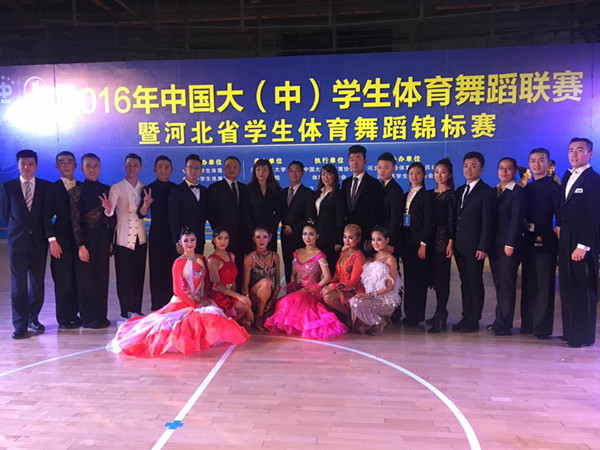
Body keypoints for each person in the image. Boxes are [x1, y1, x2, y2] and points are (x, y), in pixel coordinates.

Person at [107, 227, 249, 358]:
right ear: (180, 243)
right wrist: (195, 304)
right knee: (180, 324)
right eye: (186, 240)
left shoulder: (201, 259)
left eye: (192, 240)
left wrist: (205, 299)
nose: (190, 243)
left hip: (200, 300)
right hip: (183, 302)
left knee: (213, 315)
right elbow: (178, 291)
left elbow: (206, 284)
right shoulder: (178, 263)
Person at [264, 221, 348, 339]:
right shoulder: (297, 252)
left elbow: (327, 277)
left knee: (297, 302)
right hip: (300, 289)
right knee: (285, 302)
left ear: (317, 236)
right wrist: (293, 286)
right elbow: (293, 274)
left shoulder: (320, 255)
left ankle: (304, 325)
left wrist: (314, 288)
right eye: (305, 234)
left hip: (313, 291)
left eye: (311, 234)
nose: (307, 237)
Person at [0, 149, 50, 339]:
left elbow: (46, 215)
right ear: (18, 165)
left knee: (37, 283)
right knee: (18, 284)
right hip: (17, 243)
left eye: (30, 164)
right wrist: (19, 230)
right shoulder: (8, 187)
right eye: (23, 163)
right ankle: (20, 324)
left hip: (39, 242)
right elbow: (5, 215)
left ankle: (33, 318)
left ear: (36, 165)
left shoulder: (45, 187)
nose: (27, 167)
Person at [558, 137, 600, 348]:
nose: (574, 154)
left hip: (583, 241)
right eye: (571, 150)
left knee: (583, 288)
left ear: (590, 154)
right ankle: (570, 331)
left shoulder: (594, 180)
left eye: (580, 150)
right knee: (568, 285)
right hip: (566, 238)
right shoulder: (567, 176)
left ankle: (584, 336)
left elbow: (594, 215)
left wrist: (583, 245)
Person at [70, 153, 114, 329]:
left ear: (100, 167)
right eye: (88, 166)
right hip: (85, 237)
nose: (92, 169)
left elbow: (112, 219)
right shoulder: (76, 191)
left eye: (95, 166)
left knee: (102, 277)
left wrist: (111, 239)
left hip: (103, 237)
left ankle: (101, 316)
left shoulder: (107, 189)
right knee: (86, 279)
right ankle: (88, 317)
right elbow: (74, 221)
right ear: (82, 168)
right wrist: (80, 245)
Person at [453, 151, 496, 333]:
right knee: (464, 282)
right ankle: (466, 316)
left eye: (473, 166)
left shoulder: (487, 192)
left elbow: (488, 222)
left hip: (475, 247)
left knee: (475, 281)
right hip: (460, 246)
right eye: (466, 166)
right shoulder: (460, 190)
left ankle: (474, 320)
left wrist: (483, 246)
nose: (469, 170)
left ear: (481, 168)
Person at [520, 148, 561, 339]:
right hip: (527, 240)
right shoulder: (526, 189)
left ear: (548, 163)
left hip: (546, 241)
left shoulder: (555, 188)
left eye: (541, 160)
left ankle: (542, 328)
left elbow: (559, 219)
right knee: (528, 282)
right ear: (529, 164)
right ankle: (527, 324)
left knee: (544, 284)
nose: (537, 164)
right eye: (533, 161)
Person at [102, 153, 147, 319]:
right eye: (129, 165)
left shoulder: (144, 187)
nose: (132, 168)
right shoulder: (117, 187)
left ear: (140, 168)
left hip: (140, 236)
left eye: (135, 165)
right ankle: (126, 310)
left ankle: (137, 309)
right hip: (123, 236)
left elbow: (143, 212)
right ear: (124, 167)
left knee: (139, 274)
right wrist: (107, 209)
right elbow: (110, 212)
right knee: (124, 275)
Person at [44, 151, 82, 329]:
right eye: (62, 162)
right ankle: (64, 318)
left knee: (77, 279)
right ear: (56, 166)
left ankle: (75, 313)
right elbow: (45, 217)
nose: (66, 165)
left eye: (69, 162)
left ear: (75, 165)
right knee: (62, 279)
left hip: (80, 240)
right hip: (60, 240)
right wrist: (52, 240)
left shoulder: (82, 187)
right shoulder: (52, 189)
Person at [489, 157, 526, 336]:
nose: (504, 171)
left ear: (515, 171)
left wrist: (510, 242)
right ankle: (500, 319)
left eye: (508, 168)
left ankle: (504, 324)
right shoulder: (494, 191)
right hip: (494, 245)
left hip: (509, 245)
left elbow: (517, 220)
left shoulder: (518, 192)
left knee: (507, 283)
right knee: (499, 283)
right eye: (501, 168)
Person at [138, 155, 177, 311]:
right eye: (160, 166)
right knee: (157, 270)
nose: (163, 170)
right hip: (157, 233)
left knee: (173, 270)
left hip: (173, 234)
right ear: (155, 169)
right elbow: (141, 214)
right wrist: (146, 204)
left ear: (172, 169)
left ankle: (173, 306)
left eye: (167, 167)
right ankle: (157, 307)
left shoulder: (176, 188)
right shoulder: (148, 189)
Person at [348, 226, 402, 335]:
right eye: (373, 239)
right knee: (358, 328)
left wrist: (369, 295)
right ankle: (377, 320)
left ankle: (380, 321)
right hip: (372, 299)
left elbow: (390, 287)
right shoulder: (374, 257)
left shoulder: (391, 259)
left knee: (356, 302)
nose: (375, 243)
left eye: (379, 239)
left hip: (385, 301)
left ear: (387, 240)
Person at [401, 161, 434, 328]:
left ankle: (417, 315)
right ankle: (409, 314)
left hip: (419, 244)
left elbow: (428, 222)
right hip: (407, 243)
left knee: (419, 280)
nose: (414, 176)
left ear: (424, 176)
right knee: (409, 280)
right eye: (411, 173)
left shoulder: (426, 196)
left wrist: (424, 243)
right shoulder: (406, 195)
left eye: (418, 173)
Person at [207, 156, 248, 287]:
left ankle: (239, 294)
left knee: (240, 268)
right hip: (223, 239)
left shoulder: (245, 188)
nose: (232, 169)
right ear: (224, 169)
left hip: (241, 238)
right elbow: (211, 214)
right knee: (223, 269)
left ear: (239, 170)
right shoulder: (214, 188)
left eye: (235, 167)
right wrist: (220, 235)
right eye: (228, 167)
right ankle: (224, 295)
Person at [428, 158, 457, 333]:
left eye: (443, 172)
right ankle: (438, 311)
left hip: (443, 239)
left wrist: (450, 242)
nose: (439, 175)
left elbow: (451, 220)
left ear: (450, 175)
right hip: (430, 239)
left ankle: (441, 314)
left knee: (442, 278)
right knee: (433, 277)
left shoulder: (451, 195)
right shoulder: (429, 193)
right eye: (436, 172)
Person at [207, 227, 253, 328]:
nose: (223, 241)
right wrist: (239, 296)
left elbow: (233, 280)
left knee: (246, 304)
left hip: (230, 293)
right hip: (218, 295)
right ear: (214, 240)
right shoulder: (212, 260)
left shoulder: (231, 255)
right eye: (219, 238)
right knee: (243, 304)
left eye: (226, 238)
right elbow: (218, 286)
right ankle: (228, 320)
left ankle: (233, 319)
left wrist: (239, 298)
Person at [321, 223, 366, 325]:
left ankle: (350, 315)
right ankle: (340, 318)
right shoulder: (343, 252)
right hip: (341, 288)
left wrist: (332, 286)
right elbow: (337, 275)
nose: (347, 240)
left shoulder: (359, 256)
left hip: (353, 291)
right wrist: (328, 286)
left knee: (328, 297)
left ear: (359, 239)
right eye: (345, 237)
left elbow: (354, 282)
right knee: (322, 295)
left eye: (351, 237)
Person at [341, 145, 382, 251]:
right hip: (348, 237)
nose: (355, 162)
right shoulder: (345, 183)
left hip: (365, 236)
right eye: (352, 159)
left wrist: (369, 237)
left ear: (365, 161)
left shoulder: (373, 183)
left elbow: (375, 212)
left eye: (358, 159)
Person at [281, 161, 316, 282]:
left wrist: (293, 228)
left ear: (302, 173)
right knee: (287, 265)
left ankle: (303, 290)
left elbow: (310, 217)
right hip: (285, 236)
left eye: (297, 170)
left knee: (303, 267)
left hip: (301, 236)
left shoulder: (309, 193)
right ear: (288, 173)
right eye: (291, 170)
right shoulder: (282, 193)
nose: (294, 173)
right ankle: (290, 290)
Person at [242, 227, 281, 330]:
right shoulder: (249, 258)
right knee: (267, 282)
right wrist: (248, 308)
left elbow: (277, 282)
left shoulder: (275, 256)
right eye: (258, 237)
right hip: (254, 297)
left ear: (269, 238)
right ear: (253, 239)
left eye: (265, 237)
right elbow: (245, 285)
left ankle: (264, 311)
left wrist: (273, 299)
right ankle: (259, 315)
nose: (261, 240)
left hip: (269, 296)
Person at [168, 154, 208, 255]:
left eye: (197, 168)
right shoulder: (176, 190)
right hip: (184, 241)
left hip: (199, 240)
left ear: (201, 171)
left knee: (199, 264)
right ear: (185, 169)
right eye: (190, 167)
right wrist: (177, 241)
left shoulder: (205, 191)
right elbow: (173, 218)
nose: (193, 171)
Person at [242, 159, 283, 252]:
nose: (261, 172)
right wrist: (254, 232)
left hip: (270, 232)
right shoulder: (249, 189)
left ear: (269, 172)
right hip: (253, 232)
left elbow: (279, 212)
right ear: (254, 172)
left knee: (270, 256)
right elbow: (246, 212)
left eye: (264, 170)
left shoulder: (276, 189)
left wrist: (271, 231)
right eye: (258, 169)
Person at [314, 164, 345, 275]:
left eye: (329, 174)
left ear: (335, 176)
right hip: (317, 237)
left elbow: (340, 219)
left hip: (330, 238)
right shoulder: (318, 193)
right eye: (323, 174)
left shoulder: (338, 194)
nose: (325, 177)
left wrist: (338, 241)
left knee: (331, 269)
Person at [377, 152, 404, 258]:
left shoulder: (396, 190)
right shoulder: (377, 186)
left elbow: (395, 218)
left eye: (386, 168)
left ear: (393, 169)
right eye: (379, 167)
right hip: (378, 238)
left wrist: (391, 242)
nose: (382, 171)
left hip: (389, 240)